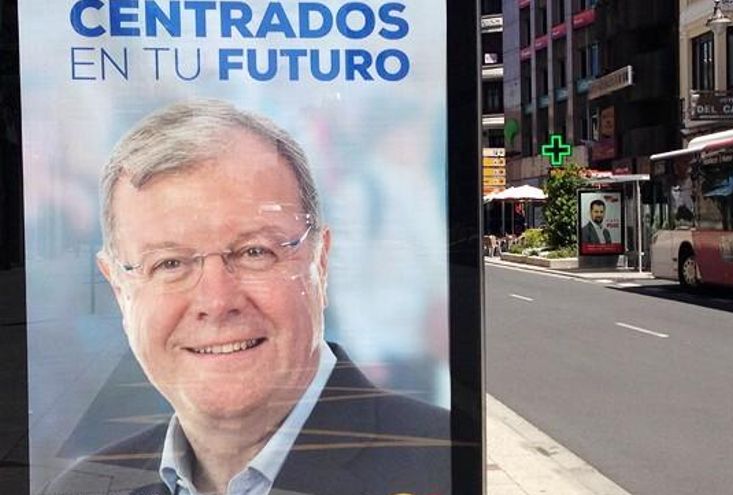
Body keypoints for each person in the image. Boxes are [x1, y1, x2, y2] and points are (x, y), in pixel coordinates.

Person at [45, 100, 450, 495]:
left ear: (321, 263)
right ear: (119, 289)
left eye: (255, 252)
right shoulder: (81, 488)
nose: (217, 301)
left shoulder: (443, 467)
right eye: (169, 264)